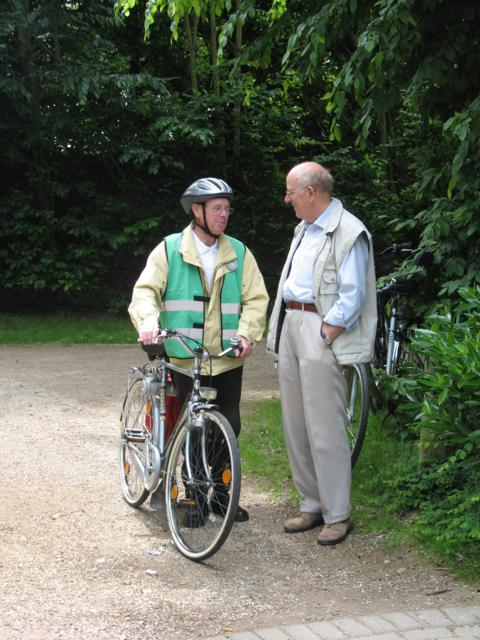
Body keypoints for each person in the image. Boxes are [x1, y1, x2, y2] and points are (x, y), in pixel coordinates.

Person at [128, 177, 269, 524]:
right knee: (191, 427)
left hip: (224, 358)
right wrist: (148, 322)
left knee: (229, 425)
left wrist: (248, 334)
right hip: (182, 356)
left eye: (227, 209)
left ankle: (222, 496)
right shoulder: (170, 248)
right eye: (217, 208)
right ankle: (192, 498)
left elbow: (255, 298)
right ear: (197, 210)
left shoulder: (239, 252)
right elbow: (146, 290)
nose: (224, 215)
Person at [267, 161, 377, 545]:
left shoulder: (348, 230)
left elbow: (353, 293)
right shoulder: (304, 228)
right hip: (293, 325)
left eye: (291, 191)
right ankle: (311, 504)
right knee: (295, 421)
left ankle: (337, 513)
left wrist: (328, 331)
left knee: (326, 425)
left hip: (320, 328)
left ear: (311, 192)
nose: (286, 199)